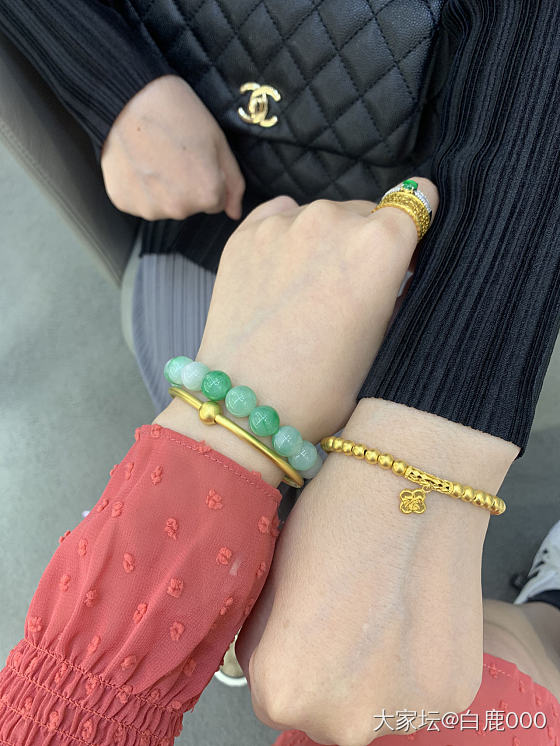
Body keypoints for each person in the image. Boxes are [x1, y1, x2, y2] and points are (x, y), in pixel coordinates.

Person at [1, 0, 560, 743]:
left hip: (268, 242)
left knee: (392, 668)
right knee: (459, 700)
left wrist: (110, 84)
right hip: (226, 214)